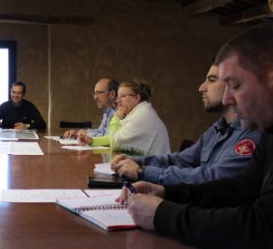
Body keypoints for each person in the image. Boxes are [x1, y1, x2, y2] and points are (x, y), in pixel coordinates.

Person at [117, 23, 273, 248]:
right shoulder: (268, 133)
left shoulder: (257, 132)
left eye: (236, 85)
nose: (229, 99)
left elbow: (263, 226)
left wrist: (163, 214)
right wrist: (167, 192)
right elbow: (239, 188)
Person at [110, 64, 259, 185]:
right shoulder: (216, 129)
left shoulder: (252, 132)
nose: (201, 87)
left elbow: (216, 177)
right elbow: (179, 160)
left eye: (212, 80)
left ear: (232, 85)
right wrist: (134, 162)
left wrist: (142, 171)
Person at [78, 79, 170, 156]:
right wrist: (92, 141)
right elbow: (114, 137)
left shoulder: (142, 115)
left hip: (154, 172)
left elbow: (115, 143)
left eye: (123, 96)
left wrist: (115, 119)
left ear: (137, 98)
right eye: (118, 97)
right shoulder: (137, 112)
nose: (118, 101)